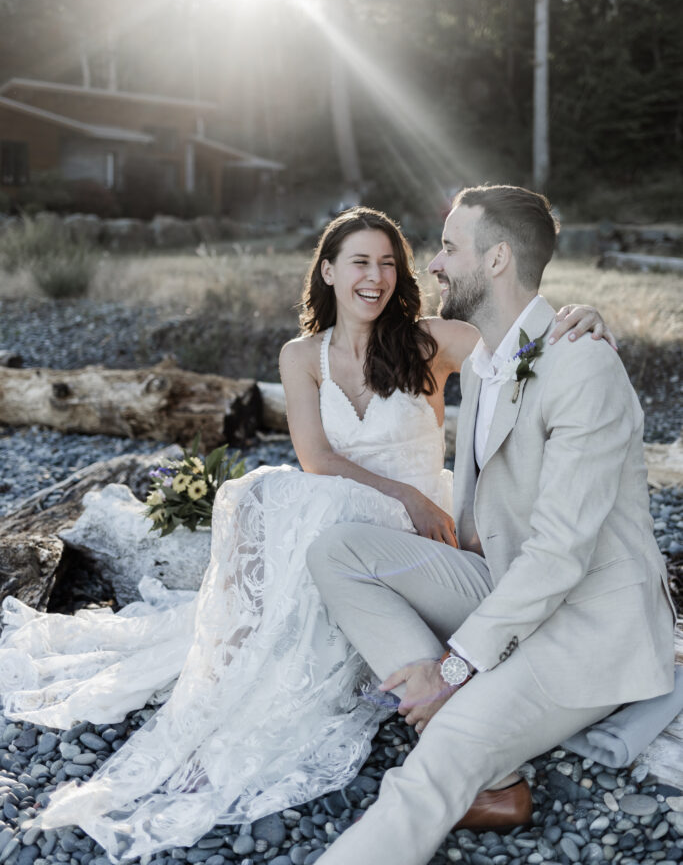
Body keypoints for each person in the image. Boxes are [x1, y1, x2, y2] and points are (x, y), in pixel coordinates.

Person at [0, 207, 612, 863]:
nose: (375, 277)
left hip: (416, 528)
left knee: (288, 502)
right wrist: (399, 493)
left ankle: (430, 717)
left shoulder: (428, 340)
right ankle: (260, 693)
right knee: (274, 493)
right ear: (326, 271)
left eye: (387, 264)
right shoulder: (301, 356)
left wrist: (580, 320)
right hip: (357, 510)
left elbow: (526, 353)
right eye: (359, 262)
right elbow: (317, 457)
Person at [307, 188, 679, 865]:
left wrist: (456, 665)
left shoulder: (580, 365)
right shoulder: (485, 359)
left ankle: (448, 738)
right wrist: (437, 670)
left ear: (498, 258)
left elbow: (560, 555)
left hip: (587, 624)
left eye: (449, 246)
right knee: (338, 549)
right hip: (508, 586)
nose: (435, 264)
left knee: (435, 765)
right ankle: (426, 691)